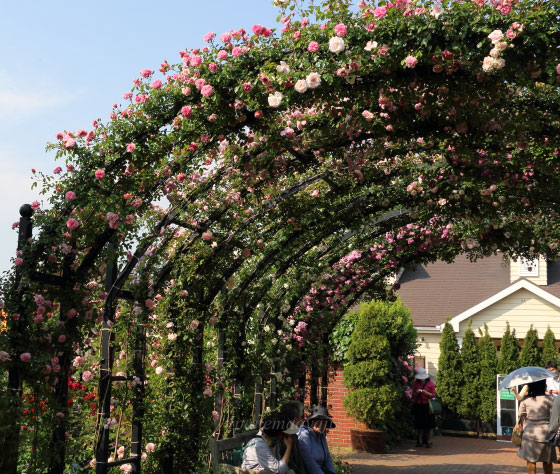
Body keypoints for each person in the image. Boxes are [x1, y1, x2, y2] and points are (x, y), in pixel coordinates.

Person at [517, 379, 556, 474]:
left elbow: (520, 414)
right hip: (546, 434)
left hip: (530, 434)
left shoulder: (526, 400)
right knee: (547, 460)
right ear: (543, 386)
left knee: (531, 460)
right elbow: (554, 416)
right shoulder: (550, 399)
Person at [298, 406, 336, 474]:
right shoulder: (304, 434)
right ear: (312, 422)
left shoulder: (321, 435)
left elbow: (327, 458)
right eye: (318, 421)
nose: (321, 425)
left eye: (324, 422)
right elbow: (308, 461)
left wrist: (332, 472)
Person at [279, 401, 307, 474]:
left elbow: (299, 462)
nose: (303, 421)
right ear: (295, 420)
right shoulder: (282, 438)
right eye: (302, 418)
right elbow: (290, 465)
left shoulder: (293, 436)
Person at [411, 367, 436, 448]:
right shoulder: (416, 384)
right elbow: (413, 395)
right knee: (419, 423)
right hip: (419, 404)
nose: (422, 379)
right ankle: (419, 440)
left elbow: (433, 395)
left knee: (430, 424)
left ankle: (429, 441)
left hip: (428, 405)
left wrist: (427, 393)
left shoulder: (430, 383)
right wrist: (417, 393)